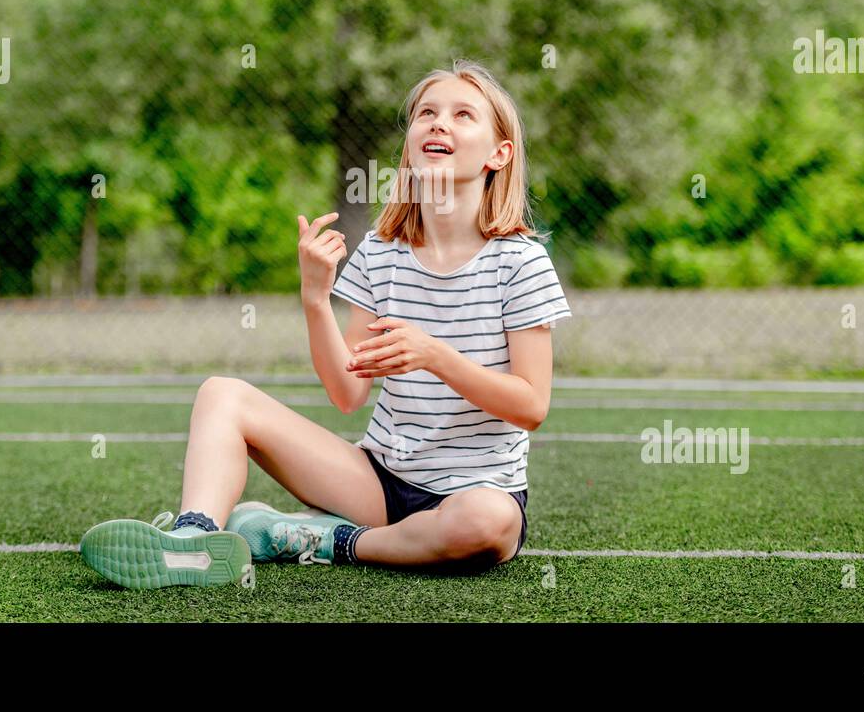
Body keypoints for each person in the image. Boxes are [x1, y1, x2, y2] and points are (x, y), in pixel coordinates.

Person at [79, 58, 571, 588]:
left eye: (462, 115)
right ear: (410, 145)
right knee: (222, 394)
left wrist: (436, 357)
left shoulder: (518, 262)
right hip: (376, 485)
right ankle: (191, 541)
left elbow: (531, 405)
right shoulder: (382, 254)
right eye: (426, 112)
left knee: (487, 525)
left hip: (475, 493)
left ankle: (321, 539)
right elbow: (346, 394)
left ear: (500, 153)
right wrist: (315, 297)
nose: (438, 123)